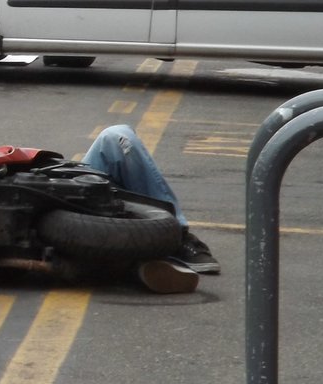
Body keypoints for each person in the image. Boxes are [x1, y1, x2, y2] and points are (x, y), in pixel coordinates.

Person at [80, 124, 221, 292]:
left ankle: (176, 235)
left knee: (116, 137)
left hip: (58, 186)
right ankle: (137, 264)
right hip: (58, 239)